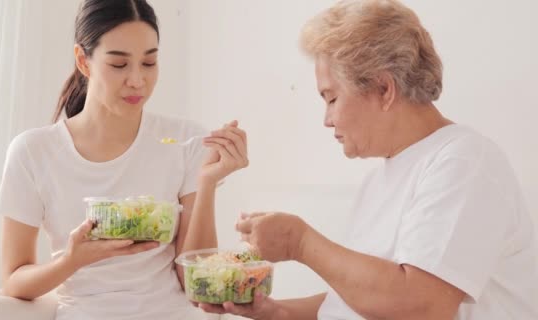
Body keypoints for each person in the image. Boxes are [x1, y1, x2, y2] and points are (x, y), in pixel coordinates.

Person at [200, 0, 538, 319]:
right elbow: (368, 298)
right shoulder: (380, 180)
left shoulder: (464, 161)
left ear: (383, 89)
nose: (327, 119)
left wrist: (298, 241)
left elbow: (422, 306)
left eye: (331, 98)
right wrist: (279, 312)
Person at [0, 1, 249, 319]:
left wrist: (207, 182)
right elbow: (15, 281)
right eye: (118, 65)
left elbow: (193, 284)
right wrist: (71, 260)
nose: (137, 80)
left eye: (149, 63)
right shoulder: (34, 151)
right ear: (83, 61)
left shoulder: (185, 140)